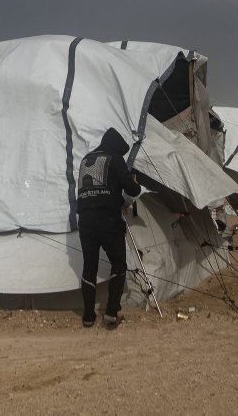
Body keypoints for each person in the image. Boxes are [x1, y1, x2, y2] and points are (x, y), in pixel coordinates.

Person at [76, 127, 141, 327]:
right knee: (119, 264)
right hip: (108, 220)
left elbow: (98, 189)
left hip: (85, 220)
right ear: (116, 146)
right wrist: (134, 183)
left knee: (89, 267)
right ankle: (111, 312)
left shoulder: (85, 160)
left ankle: (88, 316)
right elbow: (132, 189)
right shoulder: (114, 157)